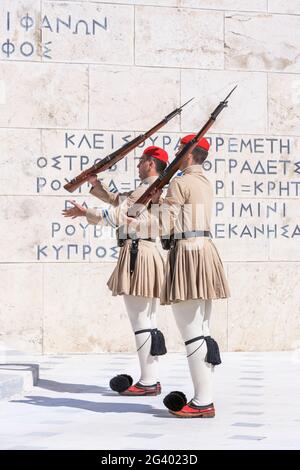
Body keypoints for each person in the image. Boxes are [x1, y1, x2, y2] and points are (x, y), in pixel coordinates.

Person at [62, 146, 168, 397]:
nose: (138, 164)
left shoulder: (147, 188)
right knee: (147, 321)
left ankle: (148, 381)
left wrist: (86, 211)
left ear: (151, 164)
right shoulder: (149, 189)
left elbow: (119, 213)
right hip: (145, 253)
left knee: (141, 321)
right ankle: (150, 378)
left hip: (137, 254)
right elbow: (120, 200)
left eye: (142, 160)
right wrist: (95, 184)